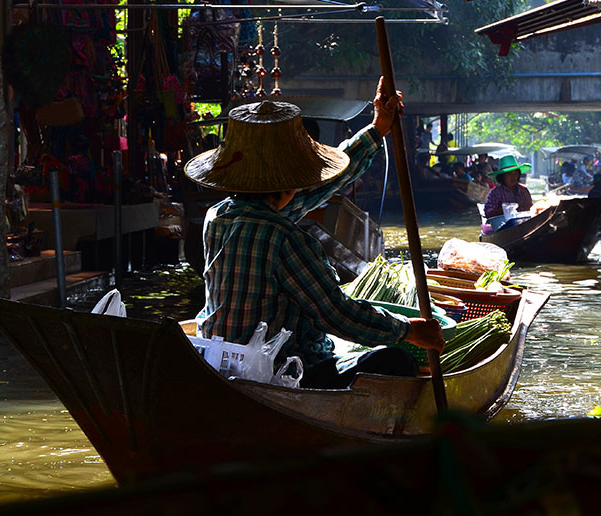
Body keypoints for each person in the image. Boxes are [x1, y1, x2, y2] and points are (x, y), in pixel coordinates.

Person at [185, 79, 444, 389]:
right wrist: (407, 330)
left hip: (219, 359)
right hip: (281, 370)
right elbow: (337, 316)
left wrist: (378, 129)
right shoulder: (287, 239)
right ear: (292, 182)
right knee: (396, 361)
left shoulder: (219, 217)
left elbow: (314, 192)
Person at [483, 154, 533, 223]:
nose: (513, 177)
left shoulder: (524, 190)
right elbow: (488, 213)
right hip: (503, 225)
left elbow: (530, 208)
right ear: (502, 176)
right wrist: (506, 210)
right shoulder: (495, 193)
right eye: (509, 174)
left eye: (515, 174)